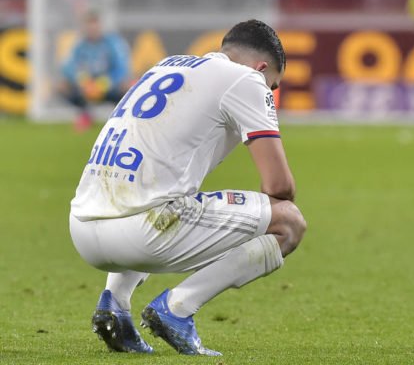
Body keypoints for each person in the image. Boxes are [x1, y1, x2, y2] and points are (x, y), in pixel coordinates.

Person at [68, 20, 307, 356]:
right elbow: (279, 186)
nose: (271, 94)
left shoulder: (167, 65)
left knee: (159, 192)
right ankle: (178, 309)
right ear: (262, 68)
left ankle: (115, 304)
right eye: (274, 86)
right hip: (141, 234)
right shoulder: (248, 79)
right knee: (289, 222)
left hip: (82, 228)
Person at [61, 10, 131, 132]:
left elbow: (122, 68)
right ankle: (85, 114)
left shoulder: (112, 42)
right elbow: (68, 67)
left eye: (95, 25)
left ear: (100, 26)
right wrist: (83, 80)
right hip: (87, 87)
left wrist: (104, 83)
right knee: (62, 86)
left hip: (109, 85)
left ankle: (123, 118)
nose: (92, 29)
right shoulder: (80, 45)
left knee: (128, 85)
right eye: (89, 26)